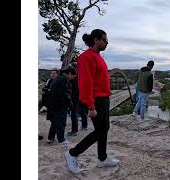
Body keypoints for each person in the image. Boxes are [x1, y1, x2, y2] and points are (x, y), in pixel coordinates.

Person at [65, 29, 120, 174]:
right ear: (96, 40)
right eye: (105, 40)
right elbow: (85, 83)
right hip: (96, 100)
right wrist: (90, 105)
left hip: (104, 98)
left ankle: (102, 159)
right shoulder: (86, 57)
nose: (107, 42)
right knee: (99, 131)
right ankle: (72, 154)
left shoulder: (97, 56)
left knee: (104, 129)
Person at [47, 67, 76, 144]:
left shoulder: (59, 78)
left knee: (55, 122)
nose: (73, 78)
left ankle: (50, 138)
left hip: (54, 105)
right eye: (73, 76)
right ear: (69, 73)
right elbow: (64, 94)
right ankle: (61, 140)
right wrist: (69, 103)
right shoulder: (63, 80)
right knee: (61, 122)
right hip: (60, 106)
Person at [67, 62, 79, 136]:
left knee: (74, 114)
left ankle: (74, 131)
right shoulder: (78, 76)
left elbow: (73, 89)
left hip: (74, 98)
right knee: (74, 114)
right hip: (76, 98)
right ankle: (74, 130)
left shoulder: (74, 78)